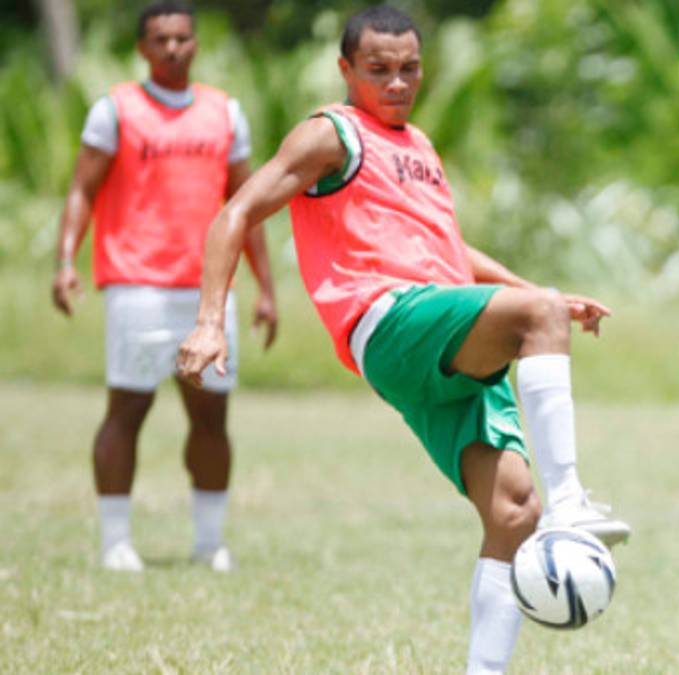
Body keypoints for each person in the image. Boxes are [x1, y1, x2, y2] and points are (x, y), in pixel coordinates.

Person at [176, 6, 629, 672]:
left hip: (439, 332)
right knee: (536, 340)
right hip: (386, 319)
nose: (395, 83)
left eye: (409, 69)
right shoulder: (331, 133)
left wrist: (544, 298)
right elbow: (237, 211)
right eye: (378, 70)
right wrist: (211, 317)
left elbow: (450, 249)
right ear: (346, 70)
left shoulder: (417, 144)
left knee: (512, 511)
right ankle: (573, 504)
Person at [51, 0, 278, 573]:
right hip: (138, 285)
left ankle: (208, 543)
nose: (172, 47)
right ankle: (115, 543)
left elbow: (245, 208)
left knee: (211, 420)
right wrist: (65, 260)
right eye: (160, 39)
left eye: (181, 37)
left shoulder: (225, 113)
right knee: (127, 409)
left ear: (195, 43)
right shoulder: (116, 111)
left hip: (208, 291)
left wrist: (266, 288)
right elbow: (82, 189)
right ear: (143, 48)